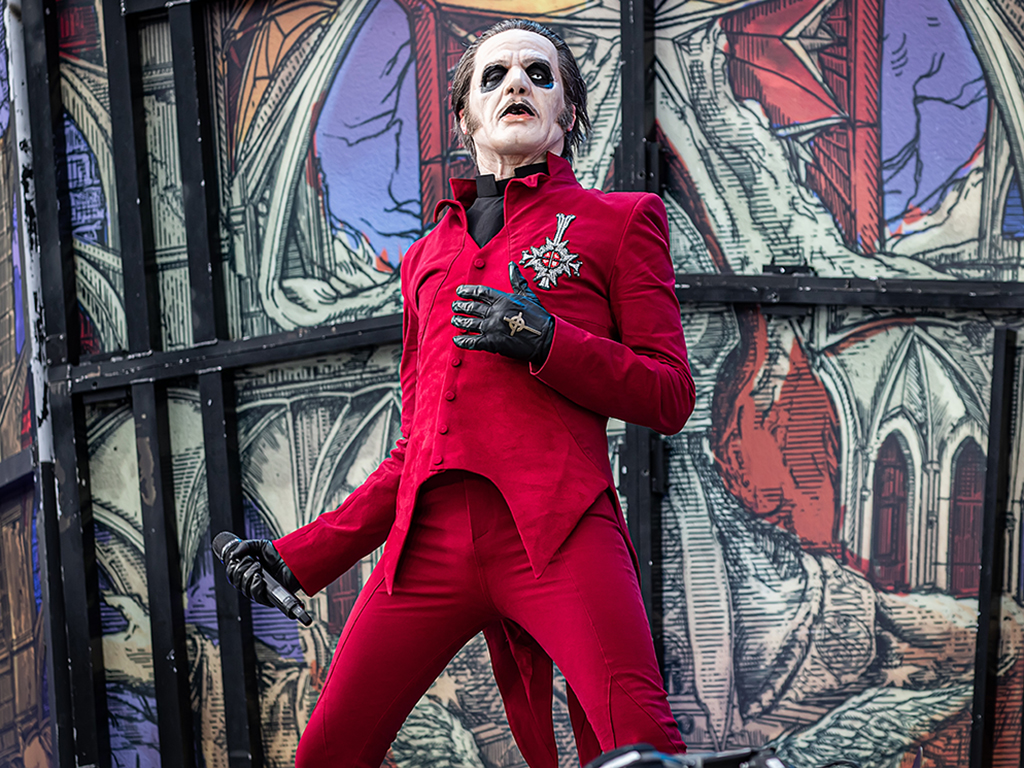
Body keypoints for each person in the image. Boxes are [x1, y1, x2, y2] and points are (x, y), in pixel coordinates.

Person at [222, 18, 695, 767]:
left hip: (560, 534)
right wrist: (301, 557)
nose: (517, 84)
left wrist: (548, 341)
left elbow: (670, 393)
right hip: (426, 548)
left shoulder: (619, 222)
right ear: (466, 114)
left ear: (566, 114)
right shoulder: (426, 259)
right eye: (494, 75)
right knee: (327, 752)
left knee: (642, 747)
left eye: (540, 75)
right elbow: (416, 445)